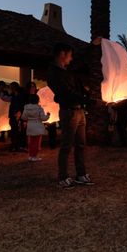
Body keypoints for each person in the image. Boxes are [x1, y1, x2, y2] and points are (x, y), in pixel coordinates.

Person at [47, 43, 92, 189]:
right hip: (68, 112)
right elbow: (66, 93)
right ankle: (63, 177)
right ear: (62, 54)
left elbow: (80, 59)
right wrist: (88, 100)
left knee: (80, 144)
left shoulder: (67, 70)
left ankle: (81, 174)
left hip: (79, 111)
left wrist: (92, 46)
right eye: (69, 55)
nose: (71, 59)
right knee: (67, 145)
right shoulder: (54, 73)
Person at [21, 93, 50, 161]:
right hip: (38, 126)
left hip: (30, 126)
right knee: (37, 143)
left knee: (31, 142)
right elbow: (43, 118)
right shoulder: (39, 108)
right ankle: (35, 156)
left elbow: (23, 117)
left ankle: (30, 156)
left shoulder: (26, 107)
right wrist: (48, 115)